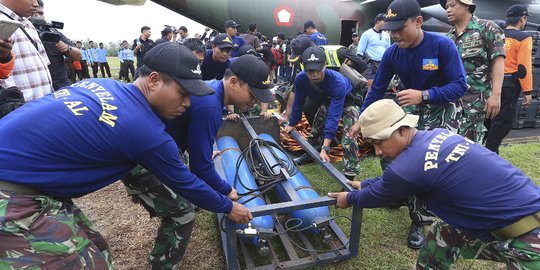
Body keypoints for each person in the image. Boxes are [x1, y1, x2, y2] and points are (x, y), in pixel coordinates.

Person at [0, 42, 252, 269]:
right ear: (153, 80)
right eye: (183, 93)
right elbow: (186, 182)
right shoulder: (145, 130)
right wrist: (228, 206)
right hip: (12, 196)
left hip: (29, 180)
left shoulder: (105, 85)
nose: (187, 103)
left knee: (97, 250)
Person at [329, 99, 540, 269]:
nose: (378, 151)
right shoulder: (437, 135)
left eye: (379, 142)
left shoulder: (406, 168)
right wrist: (364, 183)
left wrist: (348, 198)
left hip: (531, 241)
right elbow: (396, 181)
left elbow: (376, 195)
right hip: (504, 222)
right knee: (442, 234)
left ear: (402, 130)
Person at [122, 54, 272, 269]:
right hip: (142, 161)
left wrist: (199, 152)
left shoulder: (212, 93)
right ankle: (162, 265)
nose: (256, 101)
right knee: (183, 213)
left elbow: (195, 149)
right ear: (233, 82)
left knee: (191, 191)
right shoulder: (210, 106)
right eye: (253, 94)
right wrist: (227, 191)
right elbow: (201, 169)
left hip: (158, 149)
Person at [349, 0, 468, 249]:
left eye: (399, 28)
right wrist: (362, 119)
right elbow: (377, 89)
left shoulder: (442, 45)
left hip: (441, 110)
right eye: (390, 29)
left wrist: (425, 95)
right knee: (389, 151)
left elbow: (459, 86)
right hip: (410, 109)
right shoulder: (393, 52)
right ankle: (397, 191)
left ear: (418, 22)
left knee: (426, 164)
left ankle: (420, 220)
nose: (394, 34)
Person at [284, 46, 363, 180]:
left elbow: (334, 115)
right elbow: (298, 102)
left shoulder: (337, 82)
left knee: (350, 135)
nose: (314, 74)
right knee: (316, 127)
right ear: (303, 67)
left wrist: (325, 148)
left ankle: (350, 173)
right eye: (310, 71)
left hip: (347, 103)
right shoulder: (301, 79)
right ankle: (311, 153)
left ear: (325, 66)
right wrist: (292, 123)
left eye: (318, 70)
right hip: (327, 101)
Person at [442, 0, 505, 143]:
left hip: (477, 104)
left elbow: (498, 62)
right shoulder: (448, 38)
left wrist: (496, 95)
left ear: (466, 5)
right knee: (452, 147)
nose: (448, 10)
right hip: (452, 104)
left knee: (473, 148)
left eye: (452, 5)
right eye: (446, 7)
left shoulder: (487, 28)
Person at [485, 4, 533, 154]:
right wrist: (528, 91)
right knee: (503, 121)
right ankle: (491, 152)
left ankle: (482, 147)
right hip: (509, 85)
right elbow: (523, 68)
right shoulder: (524, 37)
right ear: (522, 19)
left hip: (491, 82)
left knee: (488, 118)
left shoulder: (497, 34)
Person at [0, 0, 53, 101]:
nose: (36, 4)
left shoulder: (28, 24)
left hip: (44, 103)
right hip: (19, 110)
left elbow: (44, 65)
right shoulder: (2, 22)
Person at [33, 0, 82, 90]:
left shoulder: (52, 31)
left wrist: (67, 48)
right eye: (33, 13)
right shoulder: (19, 32)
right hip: (35, 91)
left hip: (60, 88)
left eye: (41, 13)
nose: (37, 16)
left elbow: (78, 55)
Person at [357, 13, 391, 80]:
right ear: (378, 22)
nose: (386, 24)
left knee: (382, 83)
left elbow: (388, 51)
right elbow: (360, 52)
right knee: (370, 84)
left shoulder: (387, 35)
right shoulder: (367, 34)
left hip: (383, 64)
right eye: (384, 22)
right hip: (370, 65)